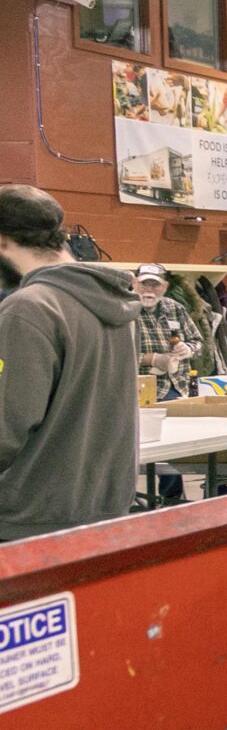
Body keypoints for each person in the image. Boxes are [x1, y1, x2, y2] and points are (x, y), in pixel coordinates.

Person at [0, 184, 139, 542]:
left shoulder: (28, 308)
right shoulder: (119, 305)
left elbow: (6, 427)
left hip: (29, 519)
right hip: (104, 508)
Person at [133, 263, 204, 402]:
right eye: (143, 284)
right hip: (141, 394)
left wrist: (188, 349)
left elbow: (199, 342)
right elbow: (112, 356)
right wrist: (152, 359)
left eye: (155, 285)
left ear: (165, 287)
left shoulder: (175, 308)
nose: (149, 290)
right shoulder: (123, 311)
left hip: (182, 389)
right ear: (134, 284)